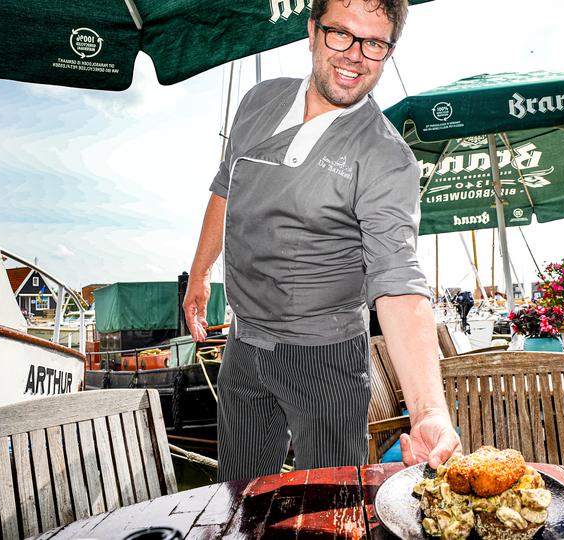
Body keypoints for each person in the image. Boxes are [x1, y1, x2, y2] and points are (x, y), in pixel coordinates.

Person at [183, 0, 461, 482]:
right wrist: (201, 275)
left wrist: (428, 412)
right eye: (340, 34)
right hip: (243, 346)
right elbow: (225, 189)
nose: (355, 55)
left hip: (327, 361)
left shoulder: (388, 159)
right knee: (240, 499)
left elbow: (398, 279)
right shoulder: (257, 101)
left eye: (373, 42)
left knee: (334, 509)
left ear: (389, 51)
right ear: (312, 30)